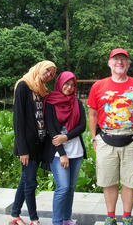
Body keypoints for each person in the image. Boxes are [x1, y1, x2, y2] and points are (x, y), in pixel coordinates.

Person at [87, 48, 133, 225]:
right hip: (106, 139)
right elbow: (92, 114)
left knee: (131, 181)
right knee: (109, 180)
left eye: (123, 59)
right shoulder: (98, 86)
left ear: (128, 64)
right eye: (116, 59)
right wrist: (94, 138)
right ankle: (110, 216)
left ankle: (127, 217)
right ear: (109, 63)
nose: (119, 62)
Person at [10, 60, 57, 225]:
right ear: (39, 68)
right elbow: (18, 120)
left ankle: (15, 215)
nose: (49, 76)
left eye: (52, 74)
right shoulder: (24, 86)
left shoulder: (41, 90)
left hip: (40, 143)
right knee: (30, 181)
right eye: (47, 71)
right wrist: (22, 149)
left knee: (25, 180)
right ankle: (34, 219)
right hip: (27, 146)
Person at [45, 71, 87, 225]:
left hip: (76, 152)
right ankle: (57, 222)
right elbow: (51, 129)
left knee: (70, 188)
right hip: (58, 154)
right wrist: (62, 154)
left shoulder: (77, 103)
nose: (69, 87)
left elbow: (82, 126)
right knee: (62, 187)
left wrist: (67, 137)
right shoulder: (50, 102)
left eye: (72, 85)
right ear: (60, 83)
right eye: (66, 84)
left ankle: (66, 219)